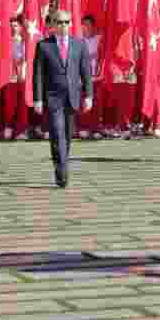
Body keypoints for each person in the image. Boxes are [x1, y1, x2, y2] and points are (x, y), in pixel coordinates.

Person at [33, 10, 93, 188]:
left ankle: (60, 160)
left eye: (67, 22)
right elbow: (38, 74)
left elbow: (86, 72)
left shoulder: (79, 44)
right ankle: (62, 171)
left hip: (72, 97)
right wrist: (37, 99)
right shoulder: (44, 46)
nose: (64, 26)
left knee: (66, 135)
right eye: (60, 22)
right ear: (52, 25)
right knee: (57, 133)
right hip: (53, 98)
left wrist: (88, 95)